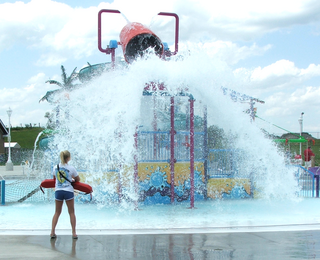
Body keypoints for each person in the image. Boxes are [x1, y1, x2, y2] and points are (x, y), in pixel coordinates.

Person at [50, 150, 80, 239]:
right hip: (68, 191)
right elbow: (78, 179)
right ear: (68, 158)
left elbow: (54, 178)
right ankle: (74, 233)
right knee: (71, 212)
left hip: (58, 191)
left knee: (57, 212)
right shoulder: (71, 168)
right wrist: (72, 179)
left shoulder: (55, 167)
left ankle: (52, 232)